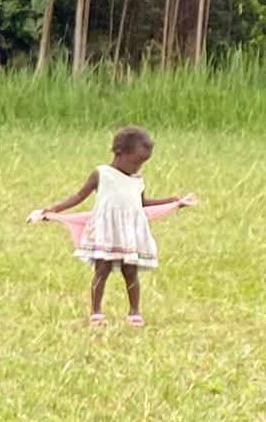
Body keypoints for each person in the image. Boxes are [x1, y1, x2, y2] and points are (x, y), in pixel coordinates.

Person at [31, 126, 196, 326]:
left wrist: (173, 202)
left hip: (129, 234)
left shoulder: (137, 181)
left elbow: (142, 204)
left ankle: (134, 312)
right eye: (135, 162)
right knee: (102, 269)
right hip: (105, 233)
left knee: (131, 272)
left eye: (142, 164)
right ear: (119, 154)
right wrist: (54, 210)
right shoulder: (102, 174)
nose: (138, 168)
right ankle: (96, 312)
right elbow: (78, 196)